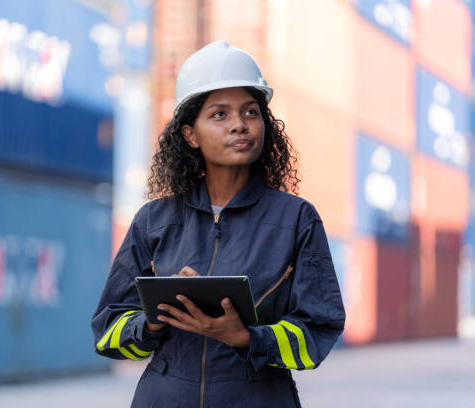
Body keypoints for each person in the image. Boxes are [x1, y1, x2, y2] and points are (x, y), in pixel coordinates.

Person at [91, 40, 345, 408]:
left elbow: (318, 332)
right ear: (190, 134)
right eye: (220, 115)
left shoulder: (296, 220)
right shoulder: (153, 221)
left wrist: (246, 338)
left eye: (251, 112)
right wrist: (152, 323)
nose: (240, 126)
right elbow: (106, 331)